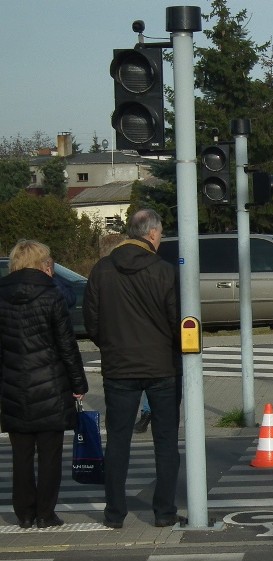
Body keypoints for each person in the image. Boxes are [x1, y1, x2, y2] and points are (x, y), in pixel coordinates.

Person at [83, 209, 183, 529]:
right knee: (165, 442)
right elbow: (177, 321)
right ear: (151, 234)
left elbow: (92, 323)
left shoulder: (101, 271)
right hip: (161, 367)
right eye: (162, 232)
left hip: (118, 368)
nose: (162, 237)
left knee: (118, 442)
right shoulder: (165, 271)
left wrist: (112, 346)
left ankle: (114, 513)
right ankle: (164, 511)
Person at [0, 240, 88, 529]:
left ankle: (23, 513)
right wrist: (79, 383)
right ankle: (45, 513)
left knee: (21, 455)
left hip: (13, 386)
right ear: (44, 264)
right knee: (50, 455)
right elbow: (67, 346)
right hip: (50, 386)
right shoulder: (51, 296)